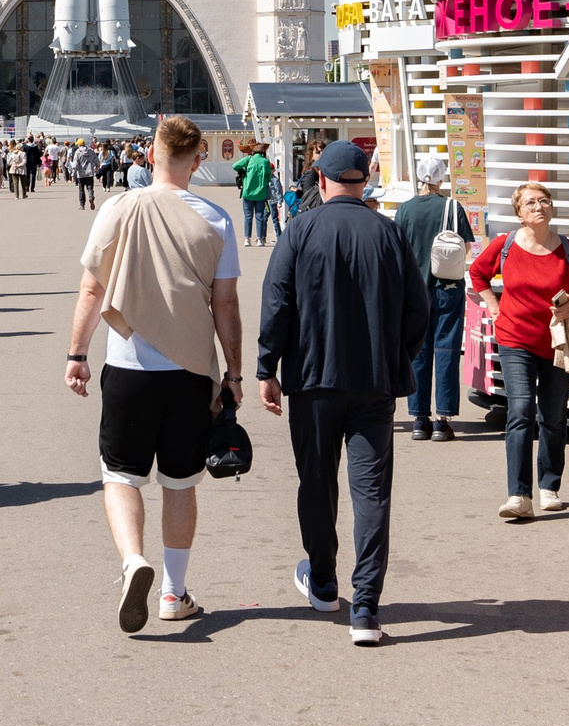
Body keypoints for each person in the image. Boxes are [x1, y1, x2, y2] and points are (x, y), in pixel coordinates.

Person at [65, 116, 243, 631]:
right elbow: (225, 304)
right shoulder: (216, 219)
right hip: (189, 371)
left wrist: (77, 354)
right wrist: (232, 372)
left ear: (149, 155)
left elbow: (92, 290)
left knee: (120, 476)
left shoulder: (118, 207)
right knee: (180, 482)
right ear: (198, 160)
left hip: (128, 366)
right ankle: (173, 591)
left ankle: (131, 561)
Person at [257, 139, 428, 647]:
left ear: (323, 180)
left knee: (316, 483)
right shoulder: (389, 233)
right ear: (363, 180)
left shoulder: (301, 230)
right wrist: (396, 355)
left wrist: (267, 368)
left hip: (311, 381)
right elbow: (417, 312)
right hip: (374, 382)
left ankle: (325, 581)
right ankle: (367, 609)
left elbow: (276, 304)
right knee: (371, 493)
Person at [469, 180, 569, 521]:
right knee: (521, 410)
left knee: (553, 418)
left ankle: (549, 487)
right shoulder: (505, 244)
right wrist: (494, 307)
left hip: (557, 345)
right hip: (515, 340)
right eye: (530, 203)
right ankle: (518, 495)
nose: (539, 206)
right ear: (520, 214)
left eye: (544, 201)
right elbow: (478, 273)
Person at [393, 159, 468, 442]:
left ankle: (419, 419)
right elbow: (465, 247)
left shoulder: (405, 210)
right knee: (447, 350)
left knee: (418, 352)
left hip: (413, 290)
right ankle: (442, 419)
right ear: (442, 179)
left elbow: (397, 250)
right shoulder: (452, 207)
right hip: (447, 288)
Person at [234, 143, 274, 248]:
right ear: (262, 152)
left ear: (253, 151)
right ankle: (260, 239)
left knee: (248, 216)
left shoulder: (248, 159)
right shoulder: (265, 162)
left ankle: (247, 239)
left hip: (247, 192)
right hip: (261, 193)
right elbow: (269, 177)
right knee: (259, 216)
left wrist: (242, 170)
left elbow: (235, 166)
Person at [68, 141, 101, 211]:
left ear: (79, 145)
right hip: (90, 172)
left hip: (80, 173)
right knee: (90, 187)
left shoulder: (78, 152)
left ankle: (82, 205)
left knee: (81, 189)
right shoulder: (90, 151)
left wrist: (73, 174)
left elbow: (75, 164)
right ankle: (91, 197)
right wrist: (97, 166)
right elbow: (96, 160)